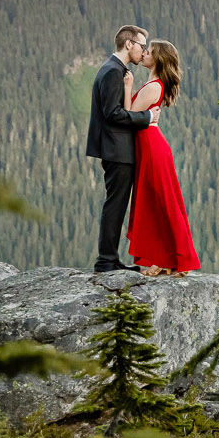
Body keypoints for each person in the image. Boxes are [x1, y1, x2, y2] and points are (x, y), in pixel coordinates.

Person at [86, 24, 160, 272]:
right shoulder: (112, 72)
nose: (143, 51)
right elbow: (113, 114)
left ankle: (111, 259)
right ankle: (106, 261)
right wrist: (147, 118)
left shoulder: (117, 70)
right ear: (129, 44)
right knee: (115, 203)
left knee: (116, 203)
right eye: (141, 46)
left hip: (119, 149)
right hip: (117, 150)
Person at [125, 39, 200, 276]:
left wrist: (128, 86)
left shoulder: (153, 87)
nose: (144, 54)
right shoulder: (154, 85)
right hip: (151, 146)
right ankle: (164, 259)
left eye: (148, 52)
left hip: (152, 147)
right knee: (157, 203)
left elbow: (127, 115)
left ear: (157, 59)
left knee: (164, 203)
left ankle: (178, 259)